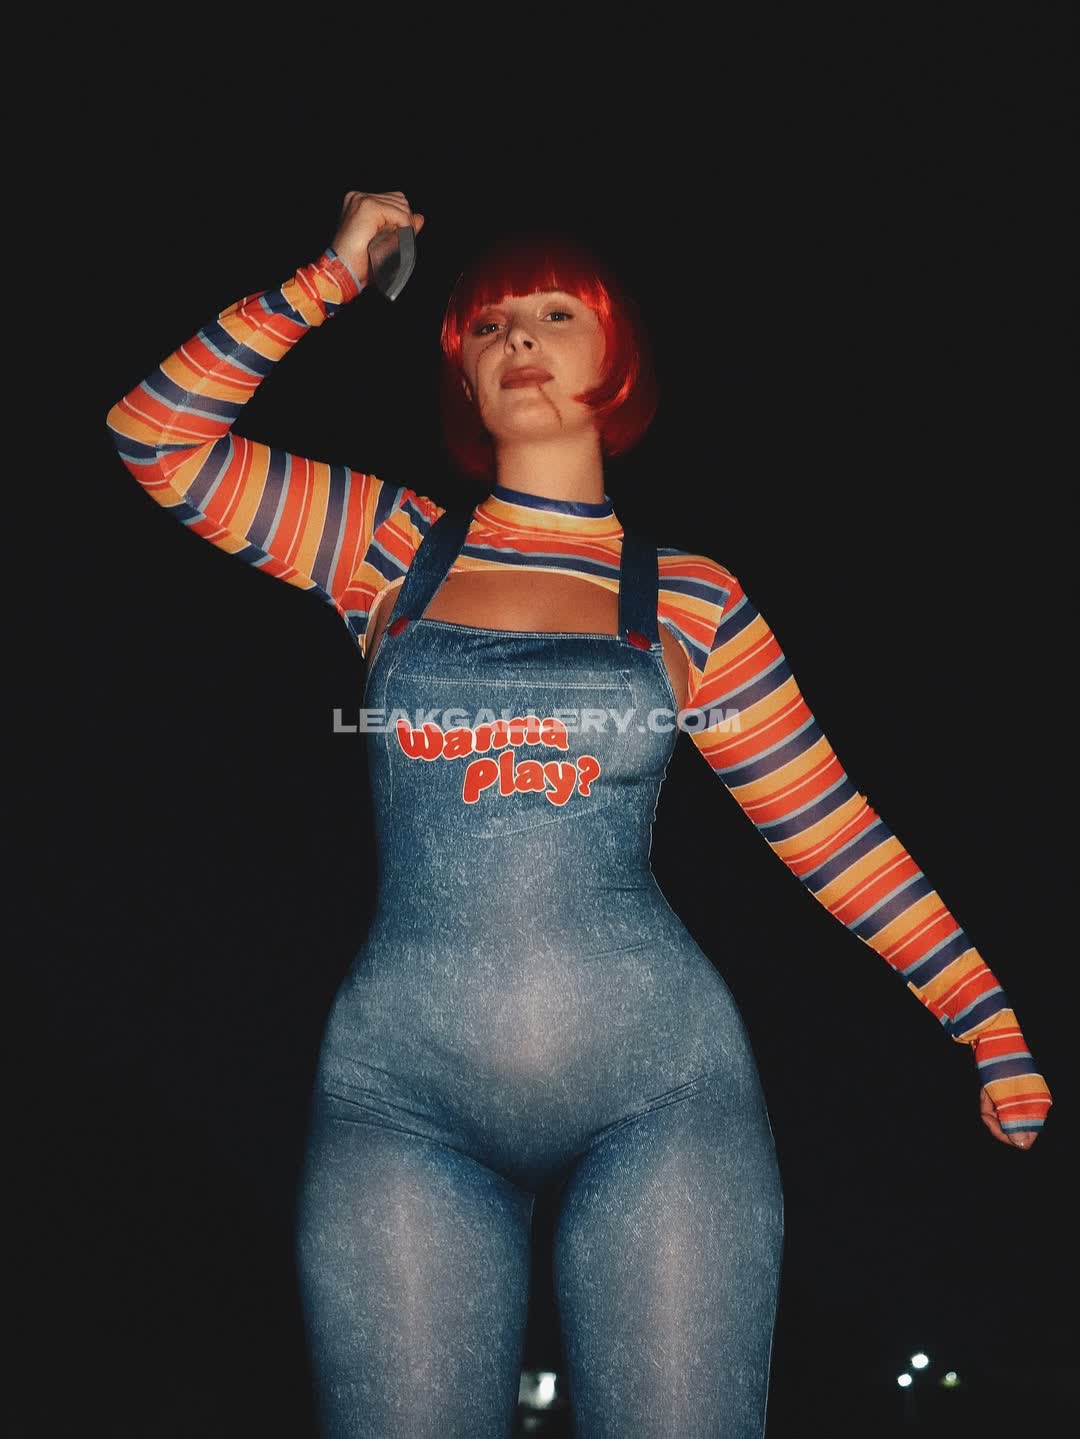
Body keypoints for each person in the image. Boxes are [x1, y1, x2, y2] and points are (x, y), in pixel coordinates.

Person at [106, 189, 1052, 1438]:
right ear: (460, 370)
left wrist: (985, 1017)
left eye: (557, 313)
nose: (519, 337)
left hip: (661, 1097)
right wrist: (328, 276)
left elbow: (830, 829)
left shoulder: (692, 598)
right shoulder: (388, 548)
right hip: (399, 1100)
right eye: (488, 323)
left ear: (619, 356)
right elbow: (156, 437)